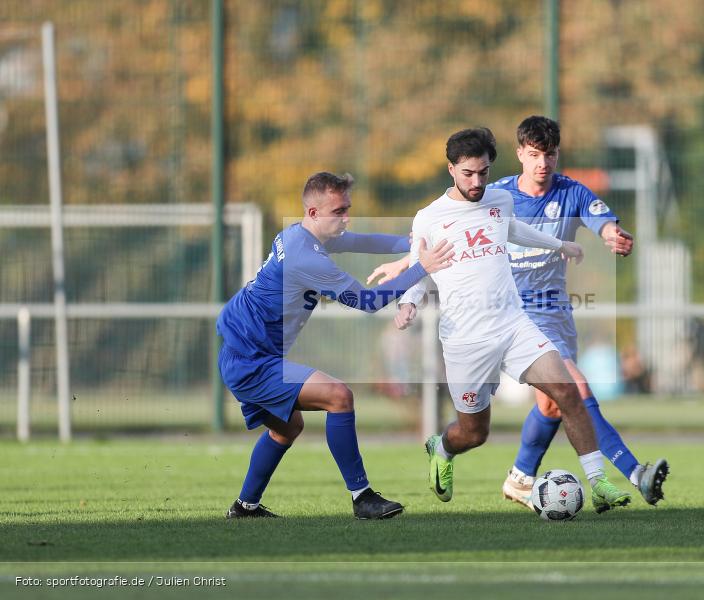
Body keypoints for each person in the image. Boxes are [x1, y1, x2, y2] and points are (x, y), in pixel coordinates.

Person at [394, 127, 632, 514]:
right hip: (466, 340)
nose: (477, 182)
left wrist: (561, 244)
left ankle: (599, 483)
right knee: (474, 433)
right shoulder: (430, 217)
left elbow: (514, 229)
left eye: (484, 173)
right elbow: (420, 265)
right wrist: (409, 301)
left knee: (568, 391)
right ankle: (444, 447)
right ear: (451, 168)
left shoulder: (500, 200)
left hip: (513, 324)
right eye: (468, 173)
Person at [216, 171, 453, 520]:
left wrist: (416, 242)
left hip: (246, 353)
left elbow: (363, 241)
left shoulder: (300, 235)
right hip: (251, 361)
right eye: (338, 211)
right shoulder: (306, 257)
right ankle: (362, 498)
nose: (346, 218)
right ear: (314, 213)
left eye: (347, 208)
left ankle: (245, 506)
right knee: (339, 396)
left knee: (287, 427)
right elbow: (370, 302)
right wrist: (422, 267)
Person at [488, 115, 668, 508]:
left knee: (552, 404)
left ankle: (519, 478)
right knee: (575, 387)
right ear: (520, 154)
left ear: (557, 154)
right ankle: (637, 474)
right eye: (533, 155)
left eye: (549, 155)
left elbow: (601, 221)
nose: (542, 163)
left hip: (554, 315)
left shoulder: (572, 193)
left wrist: (612, 237)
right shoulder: (496, 196)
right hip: (509, 317)